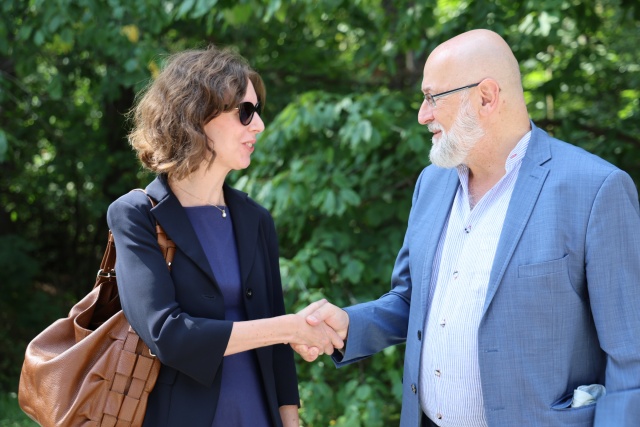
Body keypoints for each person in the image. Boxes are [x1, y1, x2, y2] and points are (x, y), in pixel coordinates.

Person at [294, 29, 640, 427]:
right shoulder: (431, 183)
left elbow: (630, 359)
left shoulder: (594, 189)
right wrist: (350, 326)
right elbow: (411, 301)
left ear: (486, 97)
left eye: (432, 98)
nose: (422, 115)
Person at [107, 45, 342, 427]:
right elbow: (168, 335)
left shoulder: (255, 219)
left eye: (257, 111)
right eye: (244, 112)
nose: (258, 125)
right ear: (196, 114)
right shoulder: (136, 215)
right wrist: (289, 327)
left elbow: (277, 354)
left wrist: (291, 421)